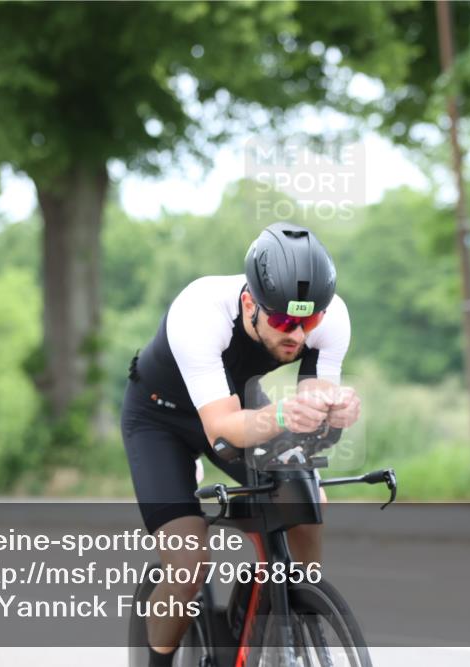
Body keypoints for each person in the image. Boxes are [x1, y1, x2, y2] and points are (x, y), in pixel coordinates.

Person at [122, 221, 361, 666]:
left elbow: (309, 425)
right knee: (189, 560)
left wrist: (333, 416)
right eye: (284, 320)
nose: (296, 333)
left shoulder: (332, 318)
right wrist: (286, 415)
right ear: (250, 301)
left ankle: (283, 612)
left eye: (308, 321)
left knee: (309, 504)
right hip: (162, 421)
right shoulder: (201, 310)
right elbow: (224, 427)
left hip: (240, 407)